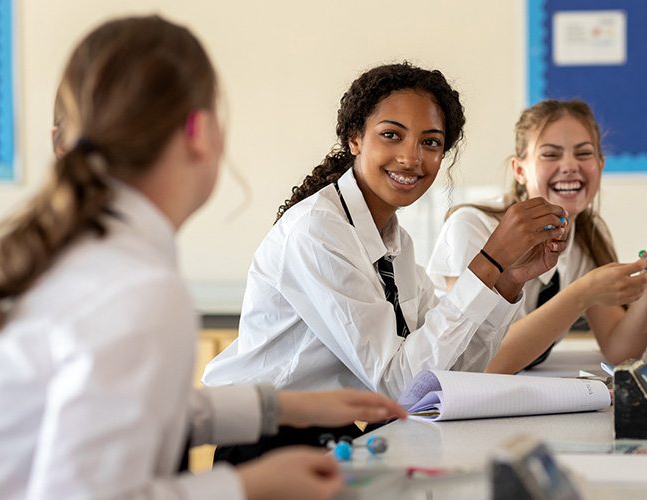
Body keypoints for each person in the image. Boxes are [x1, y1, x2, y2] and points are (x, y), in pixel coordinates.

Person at [0, 16, 405, 500]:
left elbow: (122, 410)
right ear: (200, 132)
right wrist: (247, 486)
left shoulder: (61, 256)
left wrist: (284, 409)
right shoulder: (137, 289)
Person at [202, 63, 569, 461]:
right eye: (391, 135)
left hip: (332, 432)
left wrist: (507, 281)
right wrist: (488, 261)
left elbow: (445, 373)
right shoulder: (317, 230)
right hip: (268, 442)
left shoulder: (397, 244)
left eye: (430, 143)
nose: (411, 158)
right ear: (355, 138)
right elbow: (395, 384)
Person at [426, 99, 647, 374]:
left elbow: (620, 352)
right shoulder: (470, 227)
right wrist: (582, 293)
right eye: (551, 155)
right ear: (520, 170)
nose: (569, 166)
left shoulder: (586, 237)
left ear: (600, 166)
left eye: (584, 153)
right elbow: (482, 363)